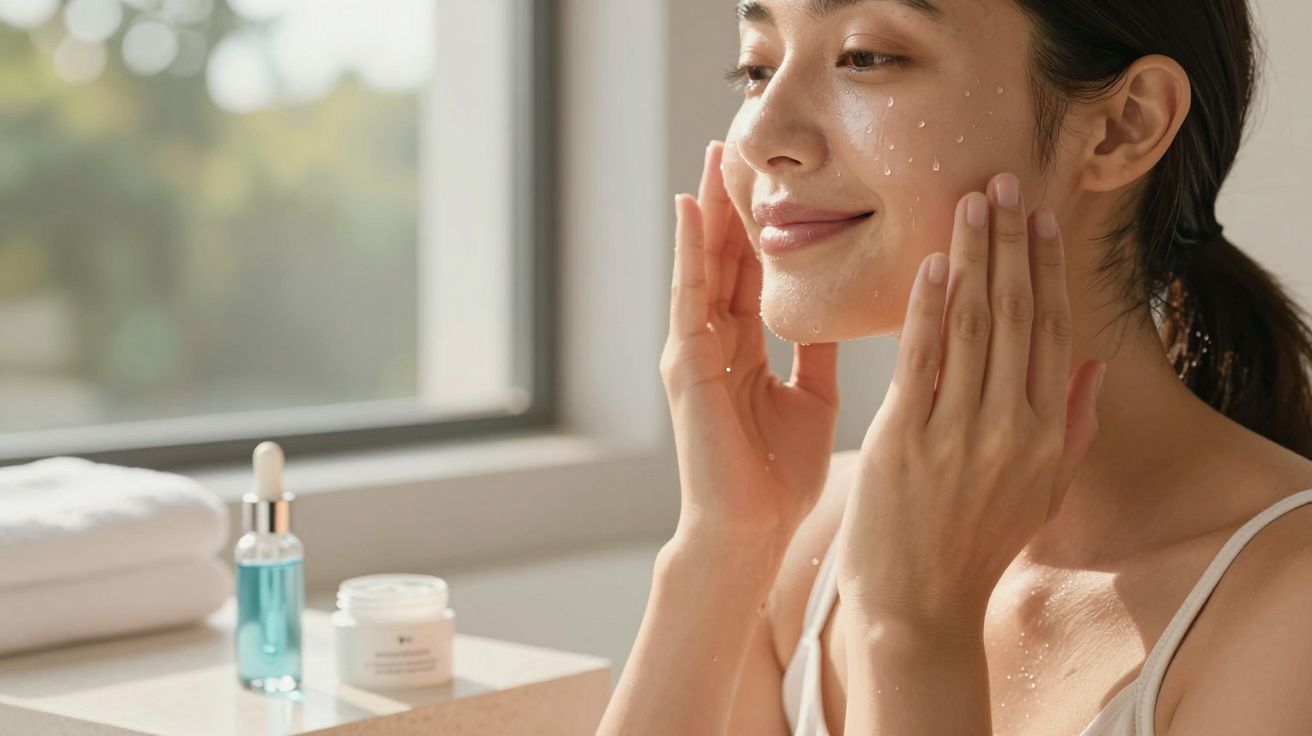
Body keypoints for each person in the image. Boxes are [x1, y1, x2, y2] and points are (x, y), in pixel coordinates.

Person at [598, 0, 1312, 733]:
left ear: (1122, 125)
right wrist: (726, 542)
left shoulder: (1290, 612)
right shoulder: (811, 540)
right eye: (757, 66)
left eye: (866, 56)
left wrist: (911, 630)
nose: (758, 136)